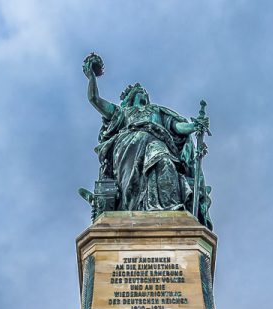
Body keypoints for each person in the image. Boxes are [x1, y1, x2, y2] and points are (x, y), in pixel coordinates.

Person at [84, 58, 208, 220]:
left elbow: (176, 127)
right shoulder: (122, 113)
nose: (143, 92)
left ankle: (168, 207)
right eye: (138, 91)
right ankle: (133, 204)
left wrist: (193, 126)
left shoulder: (156, 111)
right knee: (147, 147)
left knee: (164, 161)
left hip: (157, 144)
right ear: (130, 97)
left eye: (144, 92)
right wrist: (92, 77)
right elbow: (95, 99)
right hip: (128, 146)